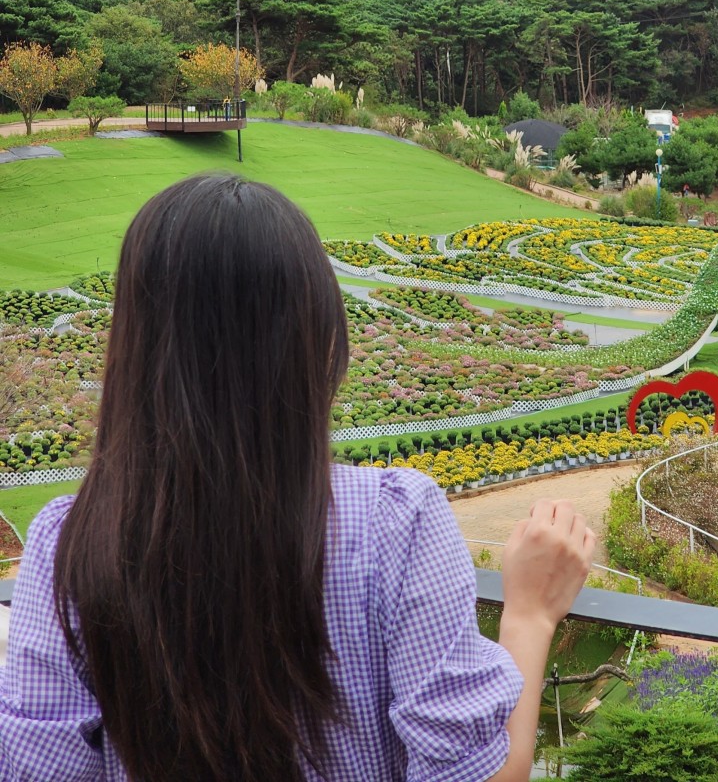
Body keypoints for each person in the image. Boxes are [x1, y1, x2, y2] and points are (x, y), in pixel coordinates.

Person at [0, 175, 594, 782]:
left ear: (132, 347)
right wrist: (528, 615)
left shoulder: (66, 546)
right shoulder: (397, 523)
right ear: (320, 340)